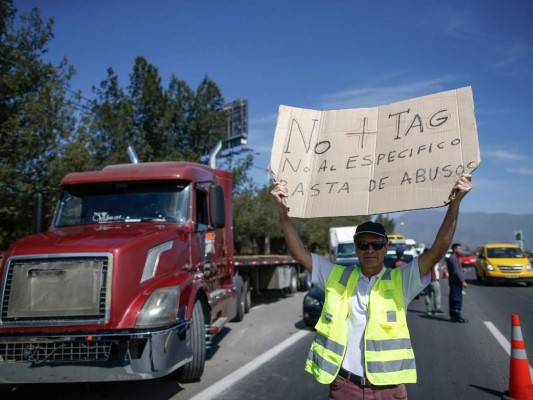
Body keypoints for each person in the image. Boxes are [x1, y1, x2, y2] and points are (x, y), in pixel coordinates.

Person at [271, 174, 473, 399]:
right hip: (344, 386)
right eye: (363, 244)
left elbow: (436, 251)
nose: (370, 250)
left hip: (388, 389)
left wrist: (455, 204)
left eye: (377, 244)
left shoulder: (401, 280)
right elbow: (299, 252)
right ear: (356, 248)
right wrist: (282, 210)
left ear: (385, 248)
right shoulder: (335, 275)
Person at [446, 243, 469, 323]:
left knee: (453, 298)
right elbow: (456, 272)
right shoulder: (453, 259)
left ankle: (453, 316)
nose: (461, 250)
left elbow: (456, 270)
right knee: (456, 299)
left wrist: (462, 270)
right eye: (459, 249)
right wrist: (463, 281)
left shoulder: (455, 258)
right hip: (456, 282)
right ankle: (457, 316)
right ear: (455, 249)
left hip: (454, 282)